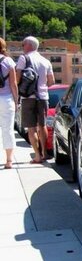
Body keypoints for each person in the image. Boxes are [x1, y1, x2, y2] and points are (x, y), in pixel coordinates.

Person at [16, 36, 55, 164]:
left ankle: (37, 156)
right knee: (42, 125)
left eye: (23, 45)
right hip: (43, 98)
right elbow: (52, 81)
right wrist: (42, 87)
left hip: (28, 98)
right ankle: (44, 153)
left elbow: (17, 79)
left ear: (28, 46)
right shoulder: (46, 61)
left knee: (31, 128)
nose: (22, 47)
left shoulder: (24, 58)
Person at [0, 38, 19, 169]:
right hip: (6, 99)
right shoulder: (8, 61)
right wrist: (16, 100)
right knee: (8, 129)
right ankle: (9, 160)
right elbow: (13, 84)